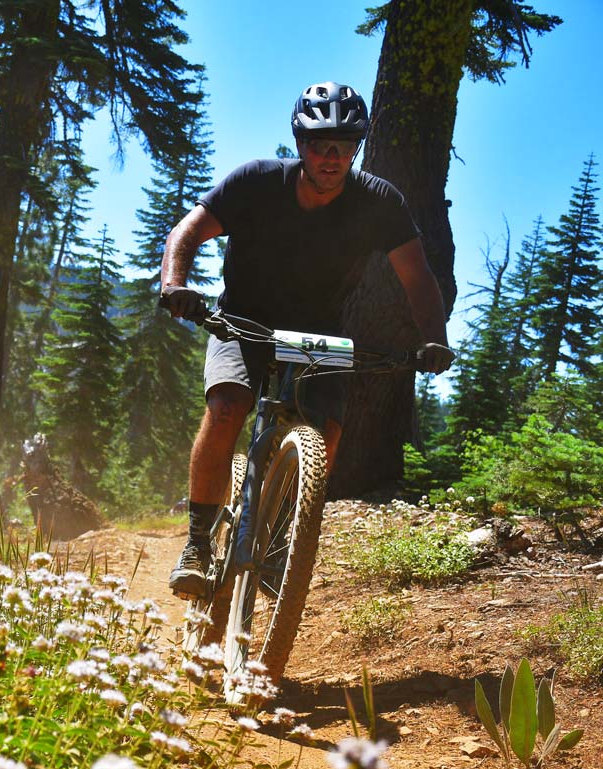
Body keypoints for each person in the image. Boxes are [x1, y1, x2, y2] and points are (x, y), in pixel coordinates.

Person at [159, 81, 454, 598]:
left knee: (328, 431)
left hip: (319, 334)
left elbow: (418, 276)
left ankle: (278, 548)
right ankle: (199, 542)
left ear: (357, 148)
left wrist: (435, 338)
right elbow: (187, 232)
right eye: (321, 143)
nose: (332, 156)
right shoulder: (256, 182)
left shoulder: (379, 204)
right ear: (300, 143)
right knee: (228, 406)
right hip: (242, 321)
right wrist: (175, 285)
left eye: (344, 145)